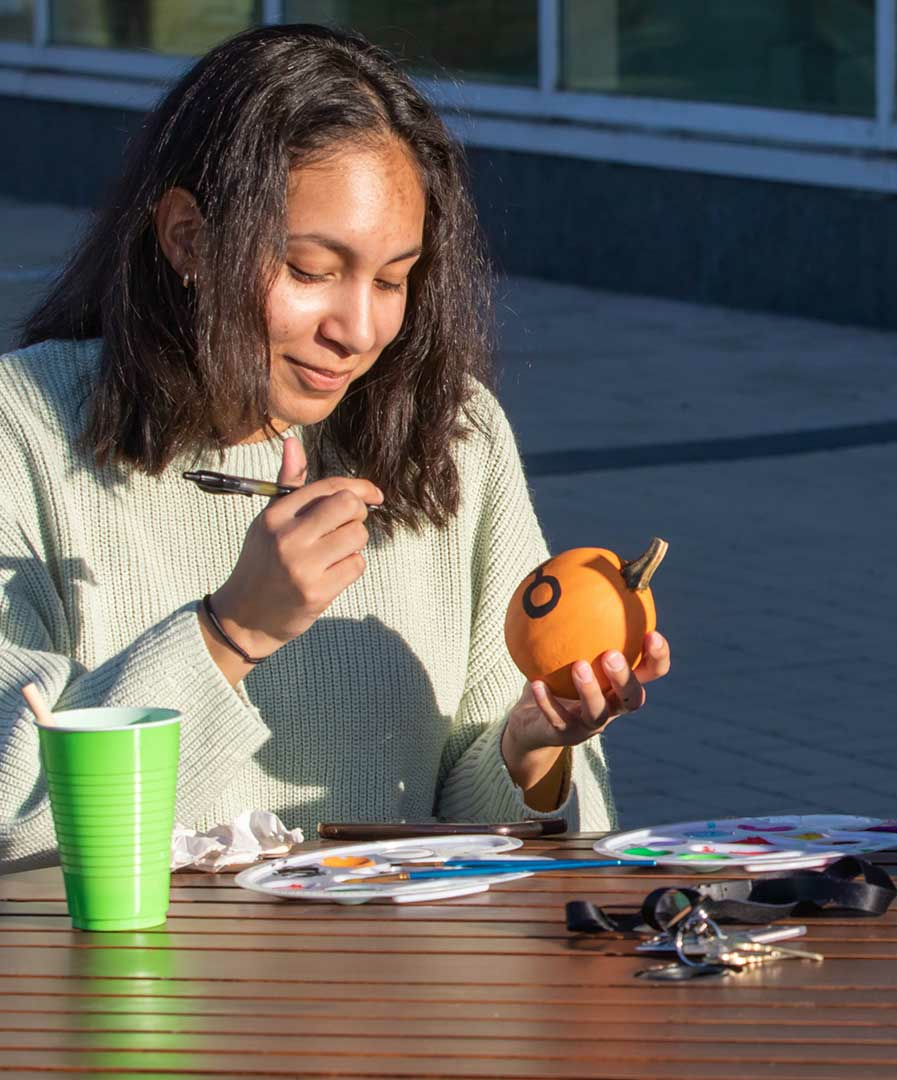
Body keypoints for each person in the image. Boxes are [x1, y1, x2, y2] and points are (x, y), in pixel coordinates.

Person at [0, 24, 668, 871]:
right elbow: (12, 806)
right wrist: (228, 632)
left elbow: (493, 843)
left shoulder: (451, 434)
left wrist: (533, 751)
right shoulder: (22, 429)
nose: (358, 330)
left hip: (390, 991)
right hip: (122, 991)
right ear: (187, 240)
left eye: (393, 280)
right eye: (312, 270)